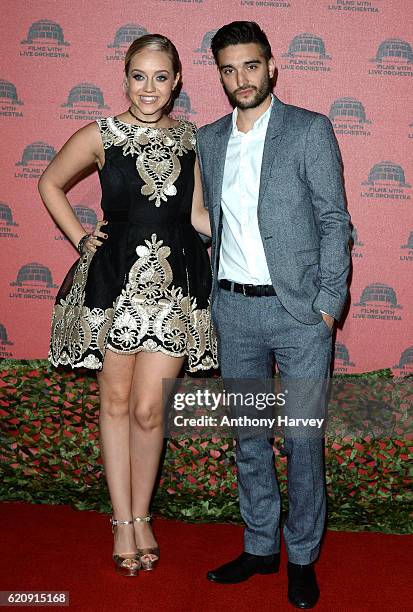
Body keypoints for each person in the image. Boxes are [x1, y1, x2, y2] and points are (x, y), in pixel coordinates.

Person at [39, 34, 217, 577]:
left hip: (172, 286)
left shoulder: (191, 139)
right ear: (125, 77)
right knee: (115, 405)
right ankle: (123, 522)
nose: (149, 88)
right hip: (114, 282)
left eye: (160, 77)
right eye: (139, 76)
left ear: (177, 81)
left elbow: (200, 216)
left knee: (148, 409)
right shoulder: (101, 134)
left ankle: (143, 513)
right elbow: (50, 183)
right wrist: (79, 239)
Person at [197, 22, 350, 608]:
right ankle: (261, 548)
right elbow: (208, 219)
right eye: (229, 70)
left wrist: (328, 306)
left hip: (300, 316)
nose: (242, 79)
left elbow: (335, 220)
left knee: (303, 441)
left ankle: (303, 557)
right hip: (233, 311)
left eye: (251, 66)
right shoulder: (210, 139)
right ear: (220, 75)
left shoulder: (310, 130)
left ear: (271, 67)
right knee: (249, 439)